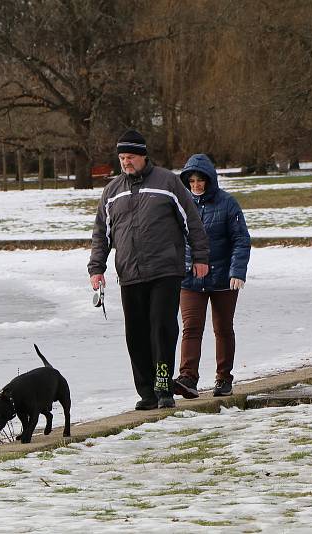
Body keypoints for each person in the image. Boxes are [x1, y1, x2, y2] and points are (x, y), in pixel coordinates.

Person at [88, 129, 210, 410]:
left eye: (130, 157)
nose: (126, 162)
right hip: (130, 273)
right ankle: (146, 392)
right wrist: (97, 268)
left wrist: (200, 257)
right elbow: (100, 233)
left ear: (143, 156)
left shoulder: (167, 182)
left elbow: (192, 221)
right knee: (136, 334)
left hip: (165, 270)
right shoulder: (112, 191)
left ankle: (164, 387)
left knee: (162, 329)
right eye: (121, 157)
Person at [172, 153, 250, 398]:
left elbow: (241, 239)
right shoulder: (181, 205)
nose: (196, 185)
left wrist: (237, 271)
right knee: (191, 328)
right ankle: (188, 378)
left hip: (223, 279)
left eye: (200, 180)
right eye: (192, 181)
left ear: (210, 180)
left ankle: (223, 378)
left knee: (223, 328)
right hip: (190, 278)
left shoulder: (228, 204)